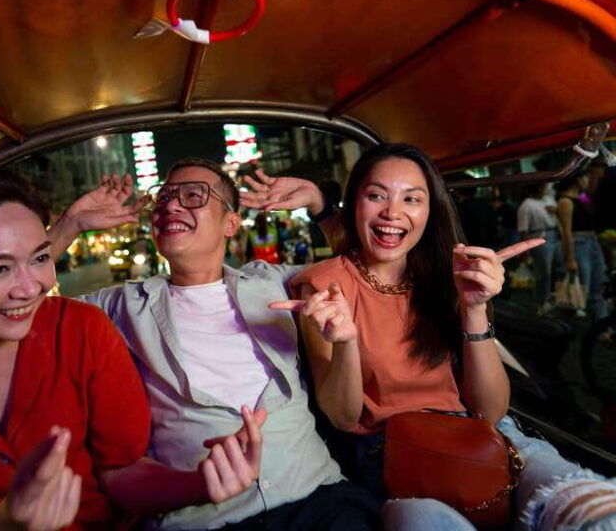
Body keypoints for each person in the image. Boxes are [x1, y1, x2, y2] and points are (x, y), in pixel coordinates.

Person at [0, 169, 265, 530]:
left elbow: (121, 473)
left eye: (40, 258)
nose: (30, 288)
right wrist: (3, 523)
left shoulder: (82, 330)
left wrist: (199, 484)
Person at [245, 144, 616, 531]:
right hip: (395, 456)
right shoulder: (324, 287)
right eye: (376, 195)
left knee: (589, 503)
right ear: (355, 202)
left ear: (429, 211)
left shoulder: (445, 275)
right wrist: (345, 342)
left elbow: (491, 412)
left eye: (412, 199)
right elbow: (343, 416)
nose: (393, 212)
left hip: (483, 437)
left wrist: (473, 308)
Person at [49, 159, 379, 530]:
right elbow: (24, 300)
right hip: (205, 519)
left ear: (230, 224)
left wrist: (320, 206)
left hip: (316, 498)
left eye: (193, 195)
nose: (171, 206)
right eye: (163, 199)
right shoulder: (120, 305)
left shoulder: (274, 282)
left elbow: (367, 267)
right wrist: (69, 225)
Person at [556, 169, 610, 321]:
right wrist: (570, 259)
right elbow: (566, 233)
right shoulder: (565, 201)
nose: (588, 181)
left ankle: (601, 321)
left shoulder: (583, 197)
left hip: (592, 242)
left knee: (599, 280)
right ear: (578, 179)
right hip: (578, 244)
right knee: (583, 284)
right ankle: (580, 322)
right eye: (586, 178)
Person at [517, 183, 563, 315]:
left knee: (558, 267)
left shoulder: (547, 199)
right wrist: (524, 249)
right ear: (538, 188)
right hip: (539, 237)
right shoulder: (527, 205)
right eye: (543, 187)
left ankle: (554, 296)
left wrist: (556, 211)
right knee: (543, 272)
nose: (546, 189)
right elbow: (523, 230)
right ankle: (542, 302)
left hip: (554, 234)